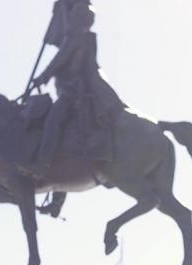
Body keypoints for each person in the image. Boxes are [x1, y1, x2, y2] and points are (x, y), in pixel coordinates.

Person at [31, 0, 125, 165]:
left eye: (73, 14)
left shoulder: (75, 38)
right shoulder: (83, 37)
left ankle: (42, 161)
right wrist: (64, 8)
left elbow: (60, 60)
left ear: (78, 18)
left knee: (52, 121)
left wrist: (42, 77)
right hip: (76, 91)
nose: (70, 17)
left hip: (73, 93)